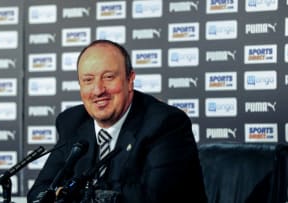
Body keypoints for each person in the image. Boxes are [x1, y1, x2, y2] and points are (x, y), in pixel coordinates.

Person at [27, 40, 207, 203]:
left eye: (108, 77)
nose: (98, 90)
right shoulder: (72, 122)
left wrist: (69, 196)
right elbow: (38, 193)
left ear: (130, 80)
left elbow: (152, 198)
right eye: (88, 80)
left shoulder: (165, 124)